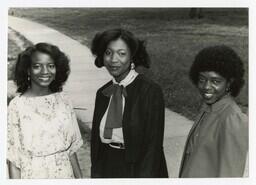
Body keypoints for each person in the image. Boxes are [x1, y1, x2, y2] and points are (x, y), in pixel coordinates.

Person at [90, 28, 168, 178]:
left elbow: (153, 148)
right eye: (108, 52)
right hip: (107, 165)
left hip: (137, 169)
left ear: (132, 56)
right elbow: (96, 145)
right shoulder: (102, 93)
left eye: (121, 53)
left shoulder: (150, 91)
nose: (113, 59)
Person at [7, 43, 83, 179]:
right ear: (28, 70)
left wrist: (80, 180)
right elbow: (13, 159)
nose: (45, 71)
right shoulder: (17, 106)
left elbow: (71, 151)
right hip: (34, 175)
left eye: (50, 65)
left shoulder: (64, 101)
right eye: (37, 66)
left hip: (65, 175)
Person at [179, 45, 248, 177]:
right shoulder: (206, 109)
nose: (206, 87)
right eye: (202, 79)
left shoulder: (232, 120)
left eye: (215, 81)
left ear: (229, 83)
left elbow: (230, 175)